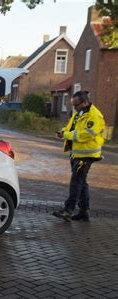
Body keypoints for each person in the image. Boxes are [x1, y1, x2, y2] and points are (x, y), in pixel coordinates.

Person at [52, 91, 105, 222]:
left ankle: (68, 210)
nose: (74, 108)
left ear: (85, 102)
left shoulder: (94, 116)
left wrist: (66, 135)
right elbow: (72, 128)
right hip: (77, 153)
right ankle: (83, 211)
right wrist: (63, 131)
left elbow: (85, 135)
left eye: (76, 105)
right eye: (73, 105)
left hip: (86, 154)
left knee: (76, 182)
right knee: (82, 182)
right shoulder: (79, 113)